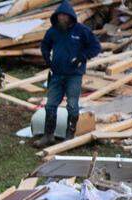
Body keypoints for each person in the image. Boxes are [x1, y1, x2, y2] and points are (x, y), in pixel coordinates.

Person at [33, 1, 101, 148]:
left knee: (72, 105)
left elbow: (96, 47)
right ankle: (48, 135)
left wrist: (82, 57)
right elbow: (45, 44)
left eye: (64, 16)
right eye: (59, 16)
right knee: (50, 105)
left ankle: (69, 135)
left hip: (74, 75)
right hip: (56, 73)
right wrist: (46, 57)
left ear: (70, 17)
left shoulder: (81, 30)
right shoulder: (53, 31)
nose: (61, 19)